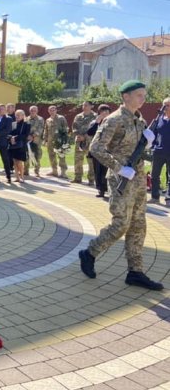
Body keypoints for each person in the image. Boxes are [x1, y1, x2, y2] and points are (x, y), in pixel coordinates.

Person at [79, 80, 163, 290]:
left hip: (139, 180)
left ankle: (135, 272)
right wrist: (118, 168)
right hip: (121, 179)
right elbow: (96, 148)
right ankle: (90, 252)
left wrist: (149, 144)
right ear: (126, 97)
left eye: (144, 95)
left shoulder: (139, 119)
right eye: (139, 95)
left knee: (138, 225)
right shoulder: (114, 120)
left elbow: (137, 150)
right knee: (121, 224)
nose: (143, 99)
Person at [149, 97, 170, 205]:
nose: (165, 108)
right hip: (158, 152)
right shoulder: (160, 119)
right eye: (164, 105)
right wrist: (153, 146)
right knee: (154, 175)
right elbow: (154, 133)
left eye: (168, 105)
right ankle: (155, 197)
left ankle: (168, 198)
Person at [87, 104, 111, 198]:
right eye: (103, 112)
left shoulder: (112, 122)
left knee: (107, 170)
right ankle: (100, 190)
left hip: (108, 150)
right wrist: (97, 122)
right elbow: (89, 133)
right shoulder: (95, 122)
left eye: (107, 112)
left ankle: (108, 189)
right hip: (97, 151)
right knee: (98, 170)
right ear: (99, 113)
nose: (105, 114)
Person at [72, 101, 97, 184]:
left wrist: (85, 137)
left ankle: (91, 179)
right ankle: (78, 178)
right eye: (83, 105)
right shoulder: (78, 116)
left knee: (91, 161)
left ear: (91, 106)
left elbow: (95, 129)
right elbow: (74, 127)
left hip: (90, 142)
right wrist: (78, 135)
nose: (84, 106)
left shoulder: (95, 116)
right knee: (78, 160)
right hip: (79, 142)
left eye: (86, 105)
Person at [43, 105, 69, 179]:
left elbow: (66, 128)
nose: (52, 111)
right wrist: (45, 140)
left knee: (61, 156)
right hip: (50, 141)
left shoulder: (61, 118)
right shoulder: (48, 120)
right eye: (50, 110)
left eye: (53, 110)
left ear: (56, 110)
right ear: (48, 111)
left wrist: (64, 139)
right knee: (51, 156)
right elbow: (46, 130)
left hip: (59, 140)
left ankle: (63, 172)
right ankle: (54, 171)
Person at [9, 109, 31, 183]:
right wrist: (11, 138)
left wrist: (14, 138)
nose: (17, 116)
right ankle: (17, 177)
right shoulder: (13, 124)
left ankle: (21, 176)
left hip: (21, 145)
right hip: (12, 145)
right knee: (14, 162)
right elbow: (9, 133)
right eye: (16, 115)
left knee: (19, 162)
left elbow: (25, 135)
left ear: (23, 115)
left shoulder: (26, 124)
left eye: (19, 115)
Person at [25, 105, 44, 177]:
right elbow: (24, 129)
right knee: (27, 154)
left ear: (37, 111)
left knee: (37, 155)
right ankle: (26, 170)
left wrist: (32, 136)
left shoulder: (40, 119)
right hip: (27, 140)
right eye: (31, 110)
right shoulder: (26, 119)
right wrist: (27, 136)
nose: (33, 112)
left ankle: (37, 171)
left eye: (34, 110)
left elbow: (40, 129)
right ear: (29, 111)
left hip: (36, 140)